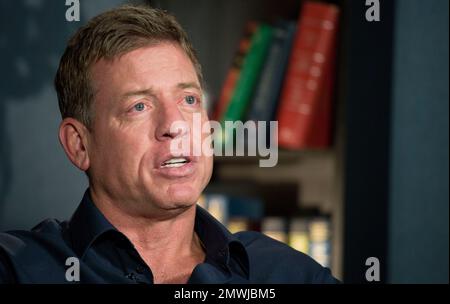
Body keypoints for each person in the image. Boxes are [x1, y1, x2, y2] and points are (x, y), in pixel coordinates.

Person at [0, 4, 338, 284]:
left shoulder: (289, 274)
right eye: (139, 106)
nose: (175, 125)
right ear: (79, 145)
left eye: (189, 99)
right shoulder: (17, 269)